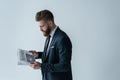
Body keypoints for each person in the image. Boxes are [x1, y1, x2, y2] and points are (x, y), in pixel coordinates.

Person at [29, 10, 73, 80]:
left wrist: (41, 66)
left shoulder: (62, 38)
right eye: (39, 26)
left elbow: (64, 66)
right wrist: (38, 54)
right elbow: (53, 54)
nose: (40, 29)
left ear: (50, 23)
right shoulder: (49, 36)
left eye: (42, 26)